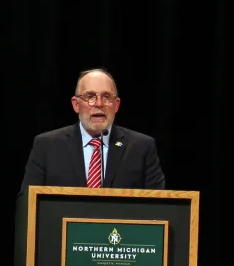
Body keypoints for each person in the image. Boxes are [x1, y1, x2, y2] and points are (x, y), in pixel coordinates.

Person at [19, 68, 165, 193]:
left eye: (106, 97)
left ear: (116, 105)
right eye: (90, 97)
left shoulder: (141, 148)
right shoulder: (47, 146)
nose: (99, 104)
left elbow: (158, 205)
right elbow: (27, 202)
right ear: (76, 105)